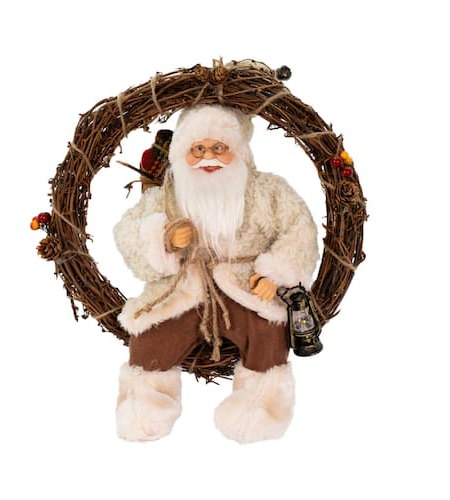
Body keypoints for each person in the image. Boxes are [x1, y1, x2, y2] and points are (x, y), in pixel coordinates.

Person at [113, 104, 319, 443]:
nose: (208, 158)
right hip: (183, 287)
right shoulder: (167, 195)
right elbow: (127, 232)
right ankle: (144, 410)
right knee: (151, 334)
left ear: (238, 152)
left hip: (246, 285)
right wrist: (164, 239)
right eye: (198, 149)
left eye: (219, 147)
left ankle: (259, 411)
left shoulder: (267, 190)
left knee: (268, 332)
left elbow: (299, 230)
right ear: (182, 154)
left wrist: (274, 276)